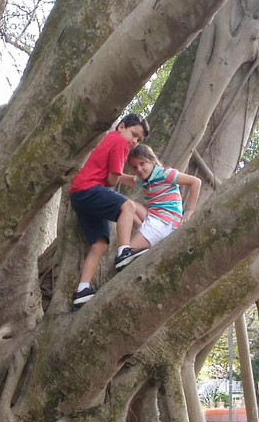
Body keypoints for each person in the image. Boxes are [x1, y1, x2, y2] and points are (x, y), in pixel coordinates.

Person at [69, 113, 150, 308]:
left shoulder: (111, 140)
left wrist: (126, 179)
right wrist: (125, 179)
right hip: (89, 189)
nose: (134, 141)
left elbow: (112, 176)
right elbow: (112, 180)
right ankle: (124, 251)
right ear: (121, 127)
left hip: (80, 196)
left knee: (99, 244)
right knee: (128, 206)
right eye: (134, 134)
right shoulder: (119, 142)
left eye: (138, 139)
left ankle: (83, 290)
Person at [125, 144, 201, 251]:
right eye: (135, 167)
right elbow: (127, 179)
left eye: (142, 163)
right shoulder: (143, 181)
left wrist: (189, 211)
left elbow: (195, 182)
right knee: (126, 205)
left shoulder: (165, 174)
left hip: (167, 221)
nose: (139, 169)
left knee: (126, 253)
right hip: (152, 217)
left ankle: (143, 242)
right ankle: (144, 237)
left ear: (152, 160)